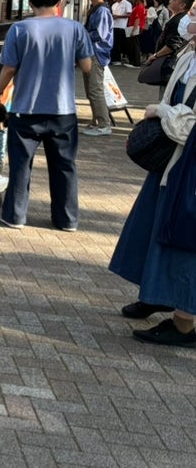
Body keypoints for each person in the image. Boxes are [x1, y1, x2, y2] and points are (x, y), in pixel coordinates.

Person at [108, 45, 196, 347]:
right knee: (152, 228)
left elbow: (190, 128)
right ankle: (158, 293)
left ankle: (184, 324)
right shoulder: (189, 55)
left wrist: (160, 112)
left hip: (189, 171)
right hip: (173, 162)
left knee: (183, 239)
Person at [0, 0, 94, 232]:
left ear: (30, 3)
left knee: (20, 165)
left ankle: (15, 216)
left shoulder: (19, 29)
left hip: (25, 108)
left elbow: (9, 68)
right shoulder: (75, 29)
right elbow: (87, 66)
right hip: (63, 109)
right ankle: (67, 219)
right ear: (59, 2)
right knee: (65, 166)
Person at [143, 0, 195, 93]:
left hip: (171, 63)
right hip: (173, 63)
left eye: (174, 0)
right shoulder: (178, 18)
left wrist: (156, 55)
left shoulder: (179, 21)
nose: (170, 1)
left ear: (182, 5)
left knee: (168, 94)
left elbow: (172, 45)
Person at [81, 0, 114, 137]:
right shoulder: (95, 8)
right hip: (90, 53)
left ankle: (103, 124)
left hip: (96, 53)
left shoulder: (101, 10)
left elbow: (100, 35)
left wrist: (81, 35)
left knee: (95, 90)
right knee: (91, 90)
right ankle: (96, 121)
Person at [126, 0, 147, 67]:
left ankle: (136, 62)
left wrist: (134, 30)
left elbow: (137, 19)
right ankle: (133, 61)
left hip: (136, 27)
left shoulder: (139, 7)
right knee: (133, 45)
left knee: (135, 45)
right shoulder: (140, 6)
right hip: (136, 27)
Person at [111, 0, 131, 65]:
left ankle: (118, 59)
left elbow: (129, 14)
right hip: (114, 25)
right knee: (114, 43)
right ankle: (114, 58)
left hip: (121, 26)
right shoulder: (114, 5)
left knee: (118, 44)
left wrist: (118, 16)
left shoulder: (127, 4)